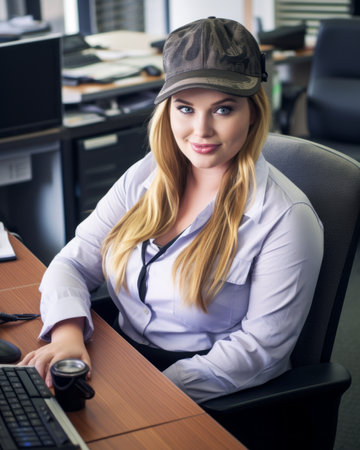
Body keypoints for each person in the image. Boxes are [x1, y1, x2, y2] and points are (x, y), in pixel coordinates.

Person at [19, 17, 323, 404]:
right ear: (167, 110)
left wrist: (144, 394)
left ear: (253, 113)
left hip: (203, 390)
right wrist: (67, 337)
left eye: (224, 109)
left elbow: (258, 353)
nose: (201, 130)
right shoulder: (147, 176)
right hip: (120, 358)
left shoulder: (286, 218)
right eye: (185, 108)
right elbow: (73, 263)